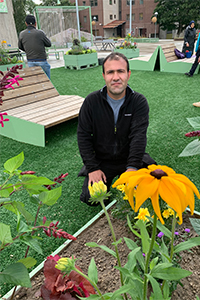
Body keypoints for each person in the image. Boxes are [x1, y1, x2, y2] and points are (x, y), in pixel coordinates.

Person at [77, 52, 156, 206]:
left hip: (129, 158)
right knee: (92, 199)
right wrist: (92, 168)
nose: (115, 77)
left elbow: (138, 136)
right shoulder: (91, 102)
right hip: (102, 160)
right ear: (103, 75)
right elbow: (83, 135)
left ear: (128, 74)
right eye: (110, 72)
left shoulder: (138, 101)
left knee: (148, 189)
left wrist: (132, 167)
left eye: (120, 71)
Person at [18, 15, 51, 79]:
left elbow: (20, 46)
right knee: (47, 80)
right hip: (42, 60)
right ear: (35, 23)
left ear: (26, 23)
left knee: (36, 79)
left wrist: (28, 50)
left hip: (30, 60)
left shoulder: (22, 34)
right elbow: (49, 44)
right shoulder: (40, 33)